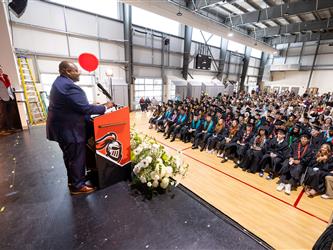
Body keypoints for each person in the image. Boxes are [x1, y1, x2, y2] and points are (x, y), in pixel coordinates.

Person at [46, 61, 114, 195]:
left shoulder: (59, 83)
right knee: (76, 157)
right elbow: (85, 108)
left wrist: (90, 104)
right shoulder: (69, 87)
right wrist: (105, 107)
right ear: (66, 71)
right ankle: (78, 186)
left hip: (61, 128)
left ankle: (73, 180)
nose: (79, 73)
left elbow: (72, 105)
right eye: (76, 70)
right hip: (70, 130)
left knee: (69, 157)